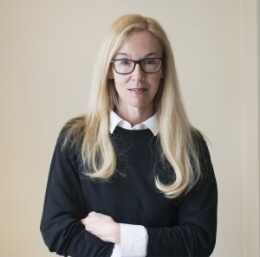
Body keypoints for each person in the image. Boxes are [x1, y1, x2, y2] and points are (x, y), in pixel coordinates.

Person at [40, 14, 217, 257]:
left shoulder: (190, 146)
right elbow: (57, 230)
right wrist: (135, 248)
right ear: (109, 69)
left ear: (163, 69)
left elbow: (199, 239)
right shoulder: (76, 138)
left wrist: (120, 234)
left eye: (149, 62)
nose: (138, 75)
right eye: (124, 62)